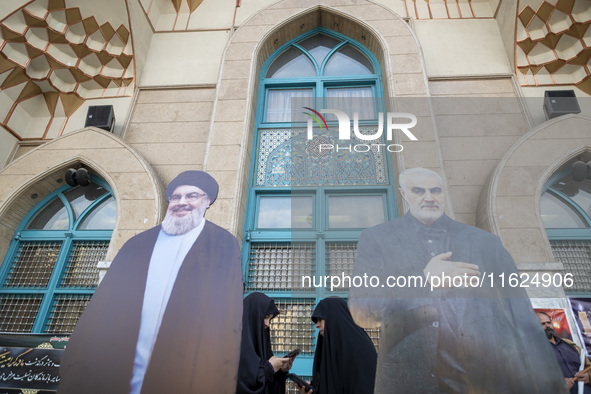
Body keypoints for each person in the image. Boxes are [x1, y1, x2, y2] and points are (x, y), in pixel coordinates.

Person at [349, 167, 567, 393]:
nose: (429, 197)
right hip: (408, 381)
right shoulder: (377, 239)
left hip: (482, 380)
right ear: (403, 194)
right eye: (418, 190)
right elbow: (362, 310)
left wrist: (550, 386)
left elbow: (520, 315)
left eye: (436, 190)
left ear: (445, 193)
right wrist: (424, 281)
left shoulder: (485, 242)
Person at [58, 171, 243, 394]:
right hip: (117, 366)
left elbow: (223, 319)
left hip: (181, 369)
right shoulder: (138, 244)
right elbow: (101, 308)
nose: (181, 202)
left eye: (191, 196)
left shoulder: (222, 244)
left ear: (207, 201)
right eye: (176, 197)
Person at [297, 297, 377, 394]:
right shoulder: (332, 349)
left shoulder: (360, 350)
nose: (317, 325)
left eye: (320, 319)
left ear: (334, 318)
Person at [237, 292, 293, 394]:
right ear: (253, 316)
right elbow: (241, 386)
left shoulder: (262, 345)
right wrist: (269, 369)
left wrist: (279, 370)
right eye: (265, 317)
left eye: (270, 319)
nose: (268, 324)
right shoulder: (235, 348)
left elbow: (268, 384)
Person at [537, 311, 591, 393]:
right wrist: (556, 383)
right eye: (542, 324)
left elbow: (588, 366)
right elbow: (529, 378)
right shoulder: (532, 350)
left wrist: (589, 376)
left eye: (549, 322)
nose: (547, 326)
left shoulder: (570, 345)